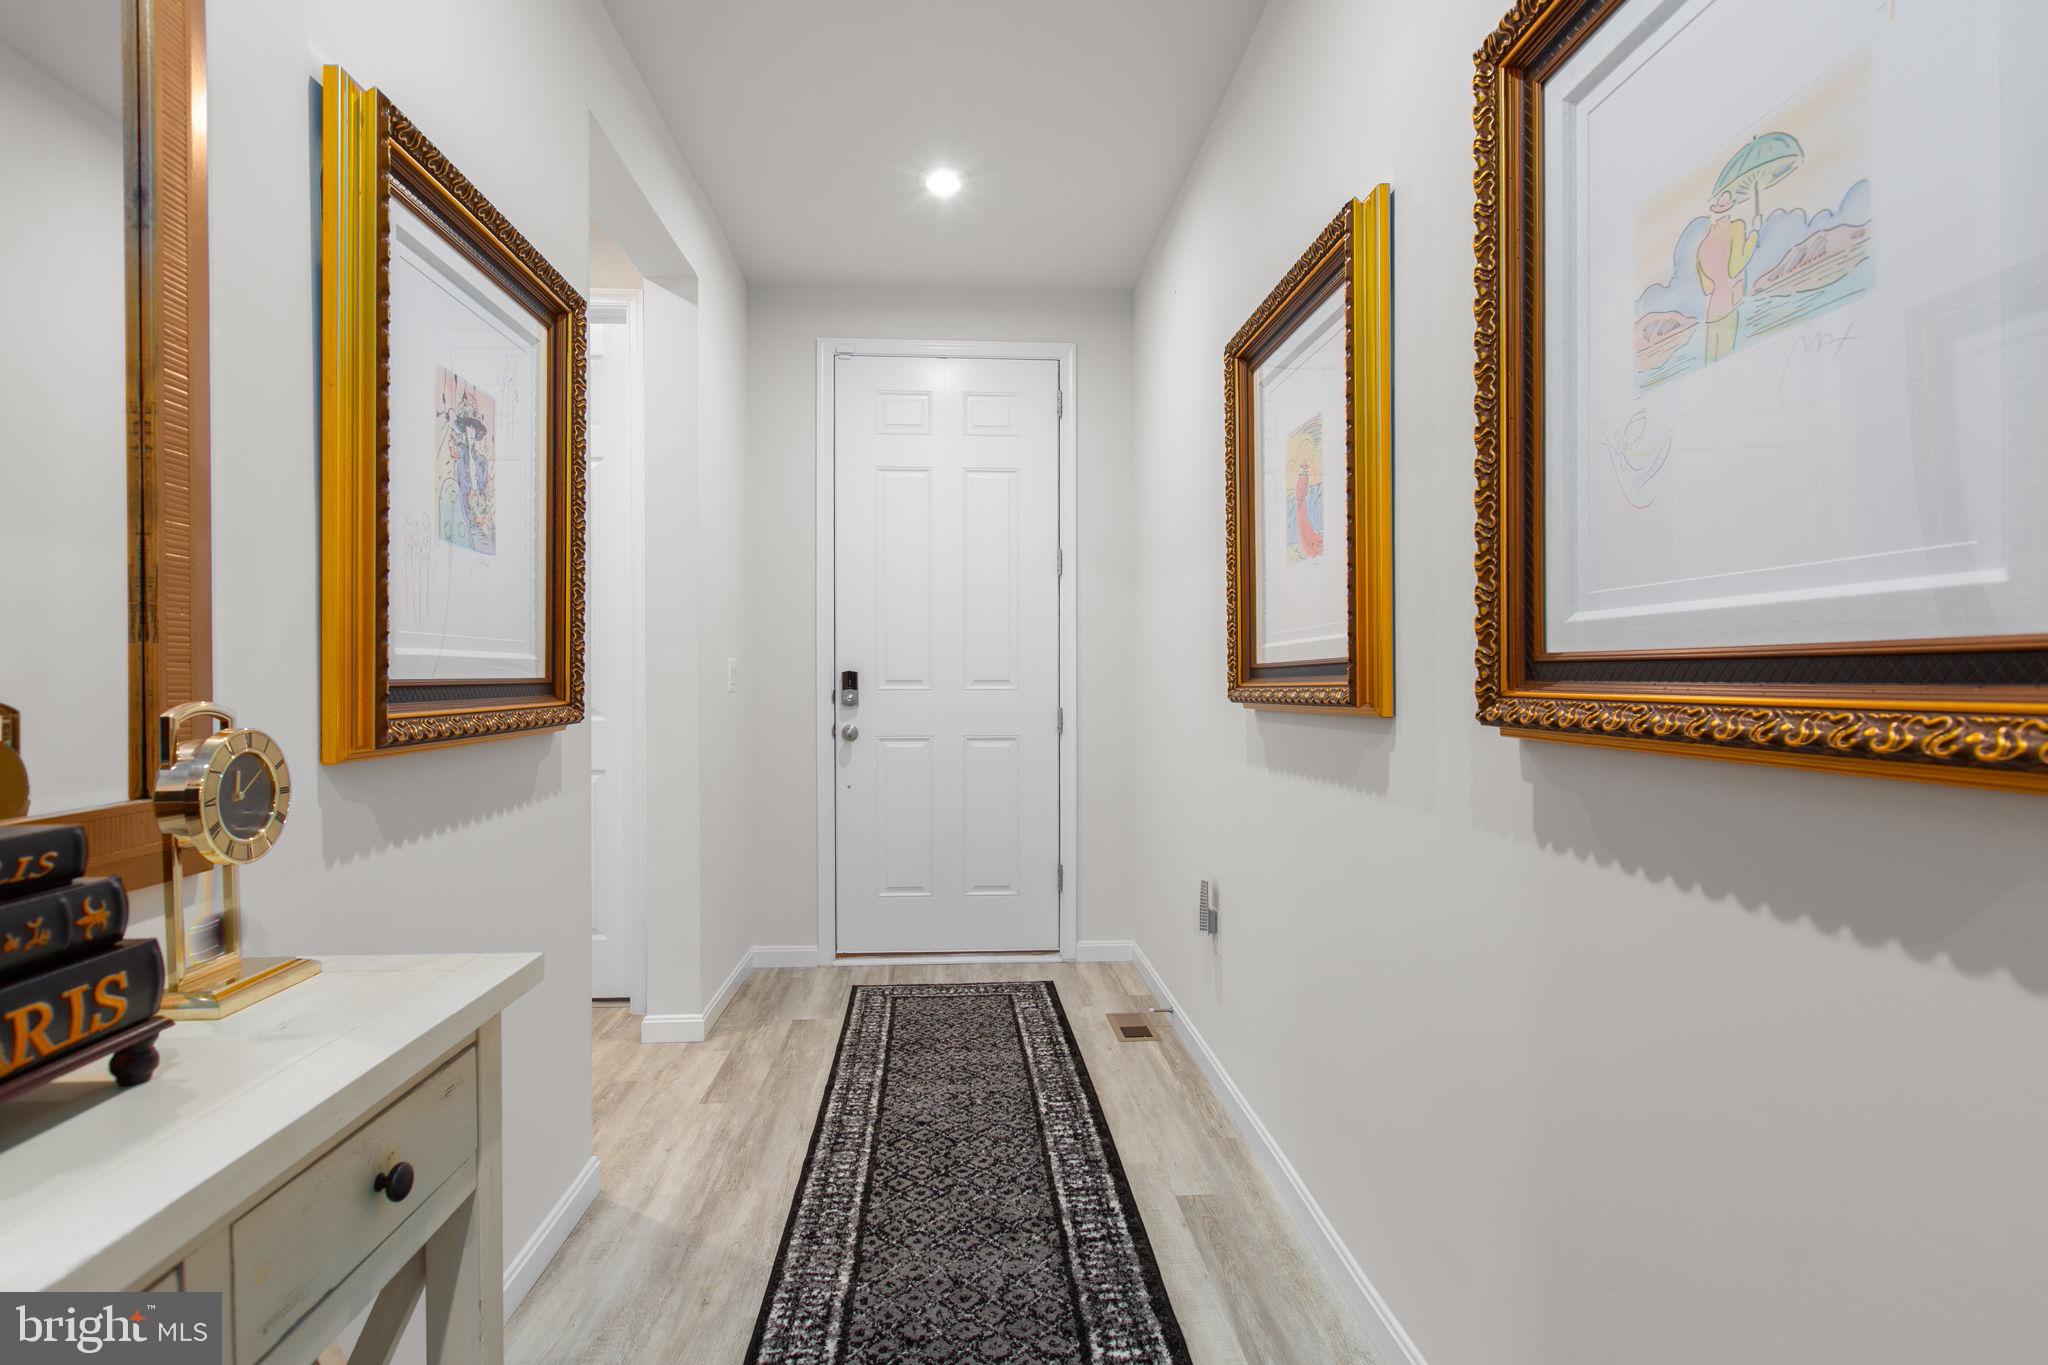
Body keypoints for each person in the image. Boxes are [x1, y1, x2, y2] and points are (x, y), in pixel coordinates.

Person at [1695, 190, 1758, 364]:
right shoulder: (1736, 227)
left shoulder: (1703, 244)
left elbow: (1707, 288)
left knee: (1711, 362)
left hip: (1712, 311)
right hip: (1729, 303)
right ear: (1732, 206)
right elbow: (1735, 267)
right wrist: (1754, 235)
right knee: (1726, 359)